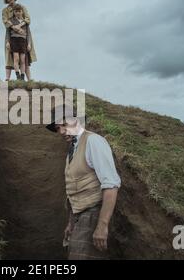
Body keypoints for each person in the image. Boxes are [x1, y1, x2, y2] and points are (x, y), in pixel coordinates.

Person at [46, 104, 121, 260]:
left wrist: (102, 225)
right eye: (58, 128)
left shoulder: (93, 141)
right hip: (81, 218)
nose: (61, 131)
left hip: (94, 215)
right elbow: (76, 190)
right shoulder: (73, 149)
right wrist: (71, 222)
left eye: (64, 125)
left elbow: (111, 186)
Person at [2, 0, 37, 81]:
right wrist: (15, 27)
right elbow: (5, 22)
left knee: (24, 57)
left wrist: (20, 26)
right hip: (11, 34)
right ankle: (8, 79)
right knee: (10, 56)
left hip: (23, 33)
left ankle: (29, 79)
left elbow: (28, 19)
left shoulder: (22, 7)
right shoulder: (5, 10)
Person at [6, 4, 32, 80]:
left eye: (19, 11)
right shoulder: (11, 21)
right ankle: (18, 75)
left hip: (23, 41)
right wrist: (8, 42)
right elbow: (8, 32)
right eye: (16, 11)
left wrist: (29, 44)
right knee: (16, 59)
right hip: (14, 40)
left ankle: (22, 76)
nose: (18, 13)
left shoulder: (25, 22)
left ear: (22, 12)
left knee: (23, 60)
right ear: (14, 12)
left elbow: (28, 34)